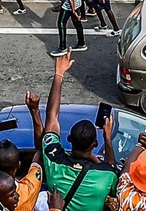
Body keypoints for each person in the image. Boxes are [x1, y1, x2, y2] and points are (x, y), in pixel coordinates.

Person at [33, 52, 118, 211]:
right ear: (95, 143)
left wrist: (59, 73)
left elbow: (52, 116)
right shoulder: (105, 175)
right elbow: (111, 168)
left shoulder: (53, 160)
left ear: (69, 139)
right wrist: (108, 138)